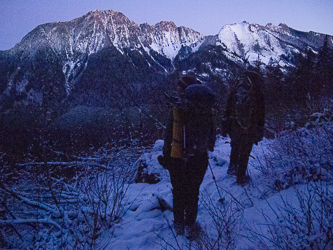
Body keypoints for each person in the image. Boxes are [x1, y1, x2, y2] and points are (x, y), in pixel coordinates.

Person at [158, 75, 216, 240]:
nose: (177, 89)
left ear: (185, 89)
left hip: (177, 157)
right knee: (193, 192)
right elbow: (212, 136)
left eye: (179, 87)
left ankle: (178, 224)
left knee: (178, 191)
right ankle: (190, 225)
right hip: (199, 158)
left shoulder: (178, 108)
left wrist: (166, 154)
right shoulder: (207, 109)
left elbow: (169, 134)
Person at [221, 70, 265, 186]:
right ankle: (241, 178)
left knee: (235, 146)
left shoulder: (236, 91)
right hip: (250, 128)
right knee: (245, 152)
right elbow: (261, 113)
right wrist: (260, 130)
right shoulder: (257, 93)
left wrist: (226, 126)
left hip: (234, 127)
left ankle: (232, 168)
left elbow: (228, 109)